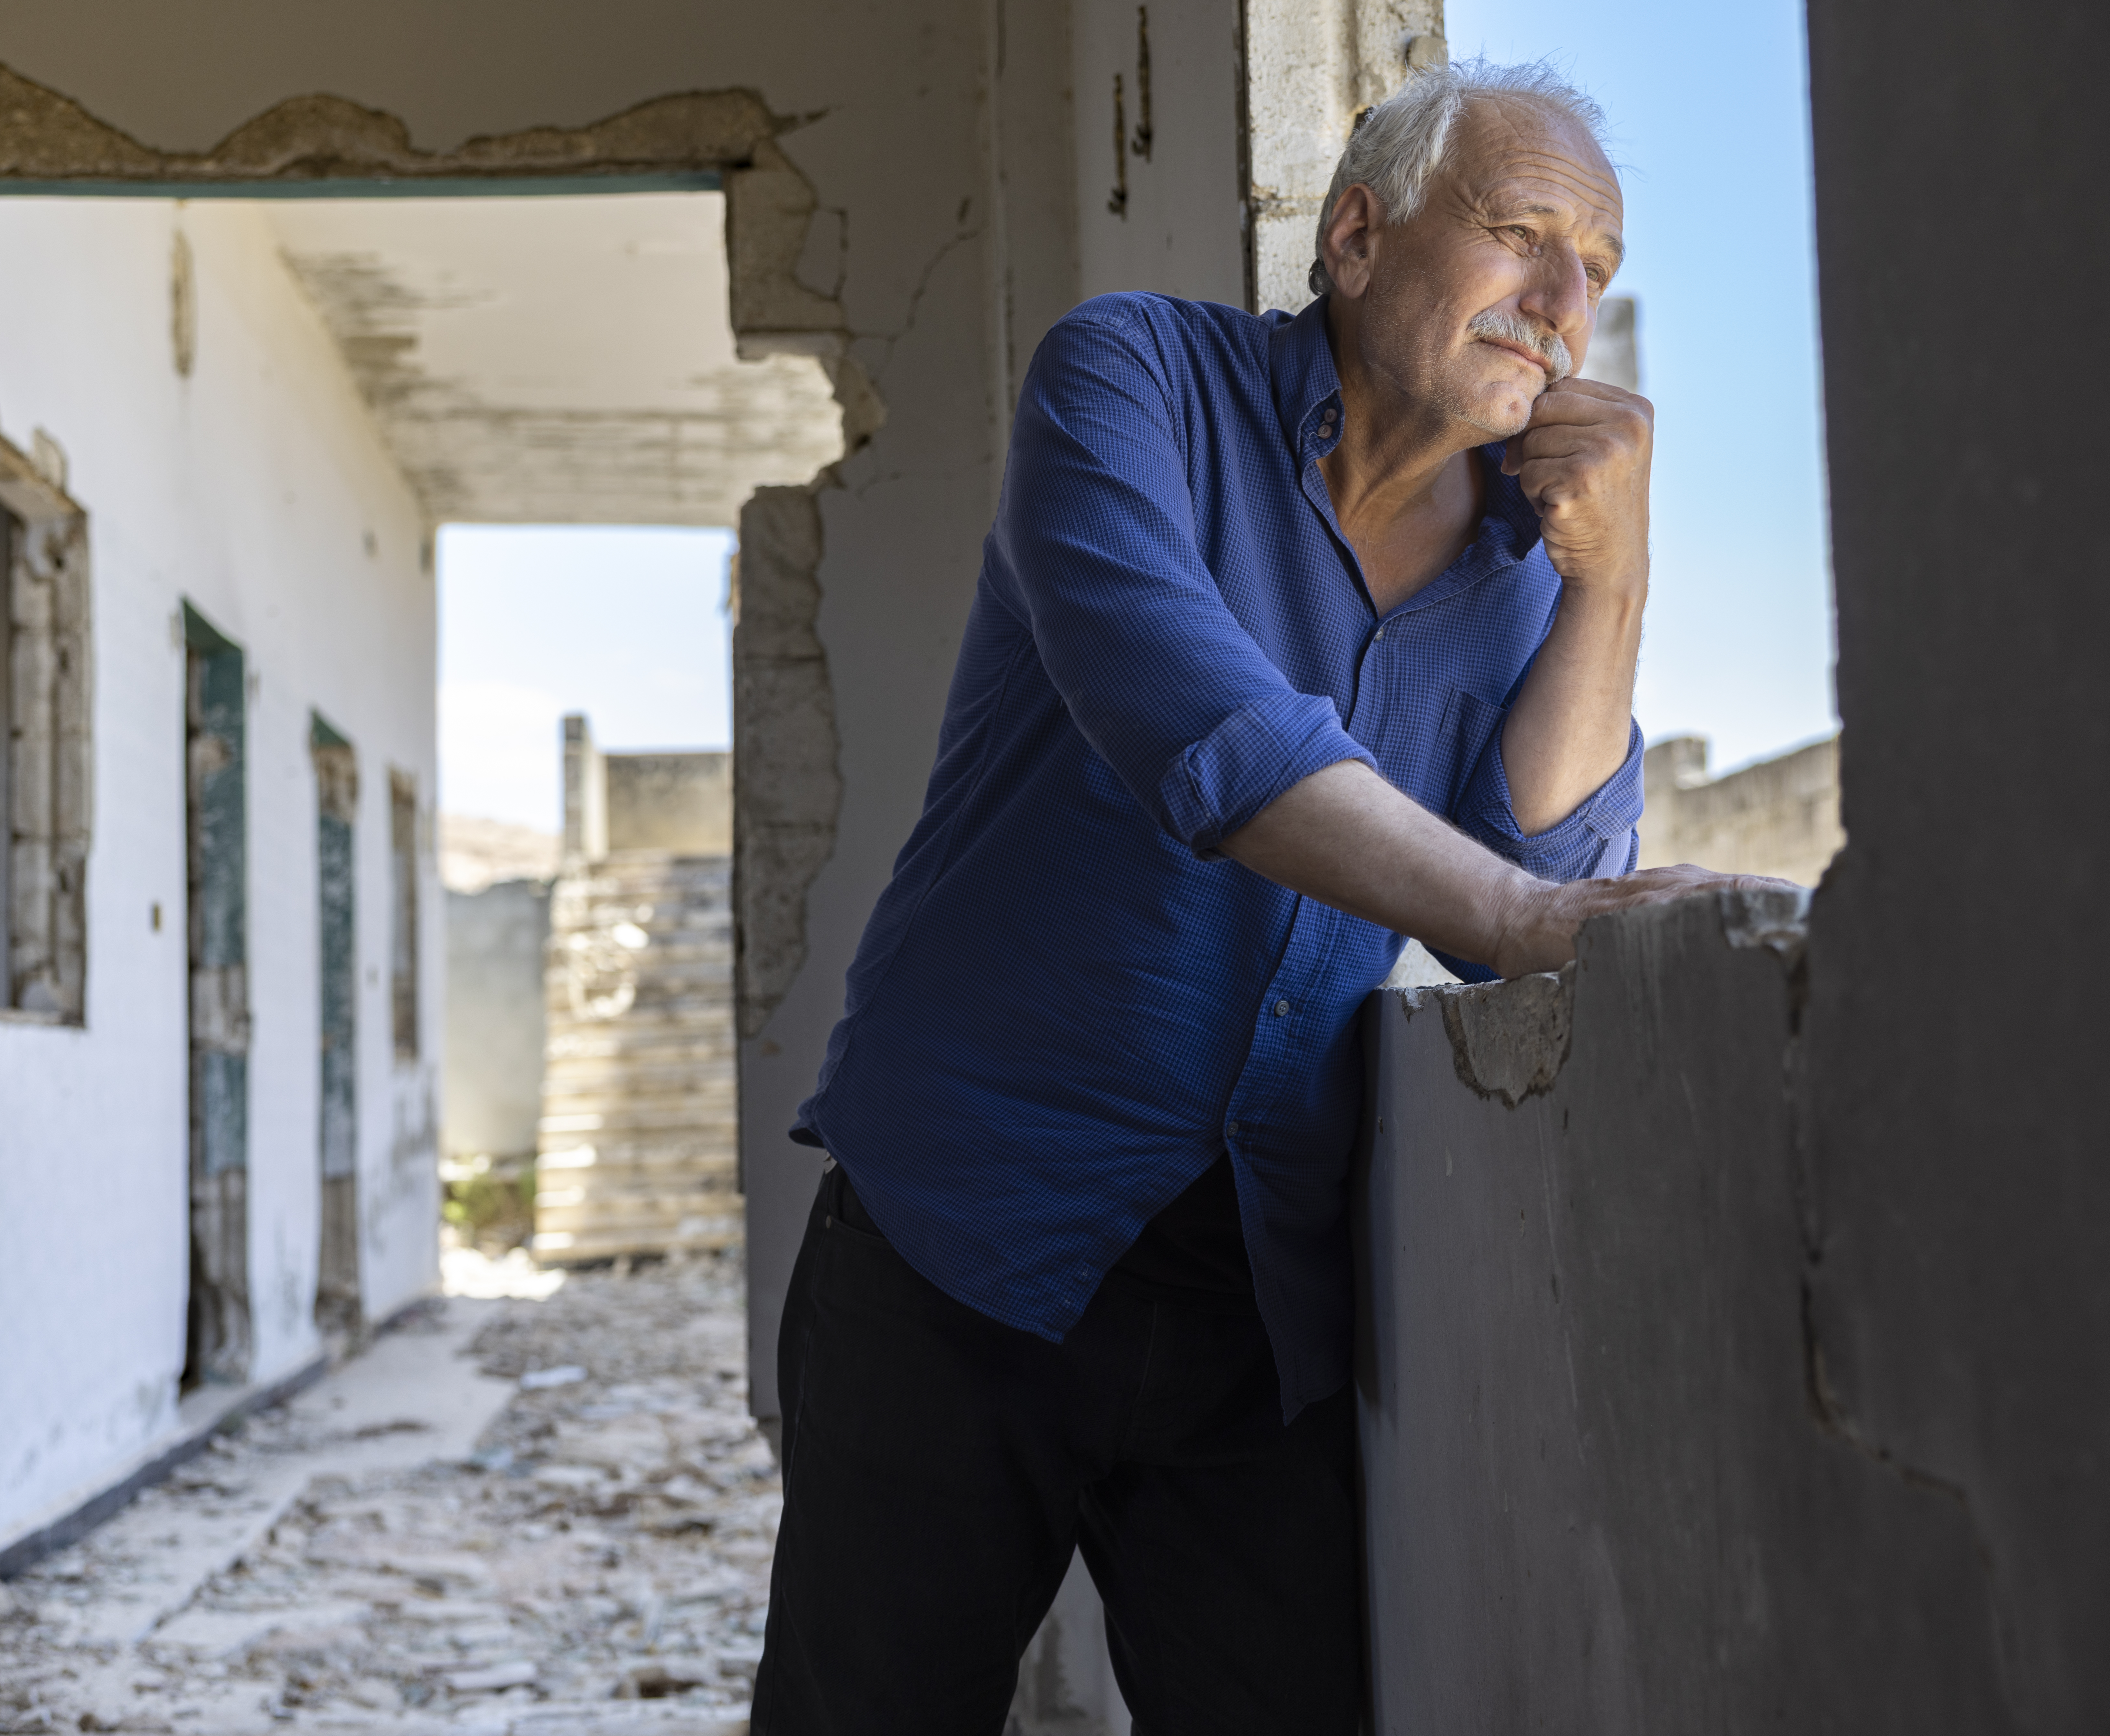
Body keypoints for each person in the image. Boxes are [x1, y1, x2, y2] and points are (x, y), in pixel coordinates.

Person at [750, 59, 1778, 1734]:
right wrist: (1522, 922)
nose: (1561, 300)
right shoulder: (1131, 378)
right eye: (1520, 234)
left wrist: (1613, 576)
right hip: (961, 1228)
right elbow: (1200, 729)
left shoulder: (1521, 573)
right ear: (1358, 237)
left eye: (1595, 266)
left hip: (1256, 1293)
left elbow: (1520, 899)